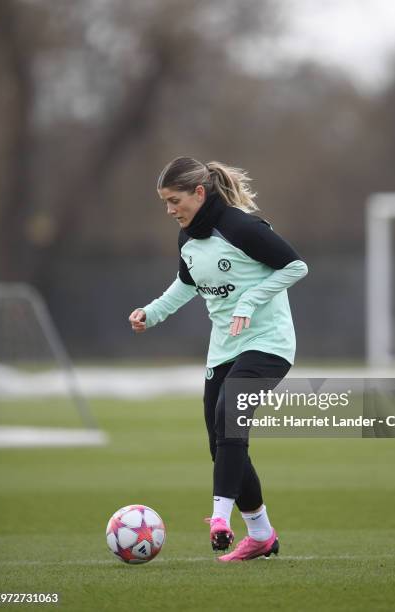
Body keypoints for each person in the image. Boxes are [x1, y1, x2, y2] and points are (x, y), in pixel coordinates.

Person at [128, 157, 308, 562]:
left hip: (268, 343)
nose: (170, 211)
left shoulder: (243, 227)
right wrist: (151, 313)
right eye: (164, 203)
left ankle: (219, 519)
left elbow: (296, 266)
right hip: (224, 348)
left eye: (174, 201)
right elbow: (186, 284)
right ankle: (261, 535)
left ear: (199, 192)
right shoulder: (188, 238)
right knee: (222, 442)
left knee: (230, 417)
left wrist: (250, 298)